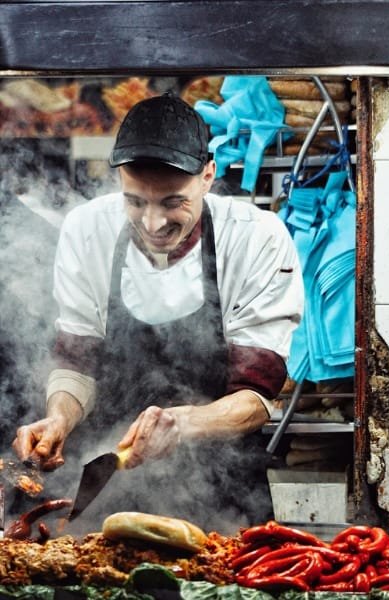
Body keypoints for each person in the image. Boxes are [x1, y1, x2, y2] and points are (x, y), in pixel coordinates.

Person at [12, 93, 304, 531]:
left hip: (223, 493)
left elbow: (258, 395)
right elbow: (77, 362)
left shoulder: (256, 238)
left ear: (208, 176)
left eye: (172, 202)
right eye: (135, 201)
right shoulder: (86, 229)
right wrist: (60, 417)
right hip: (104, 491)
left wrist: (182, 423)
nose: (152, 223)